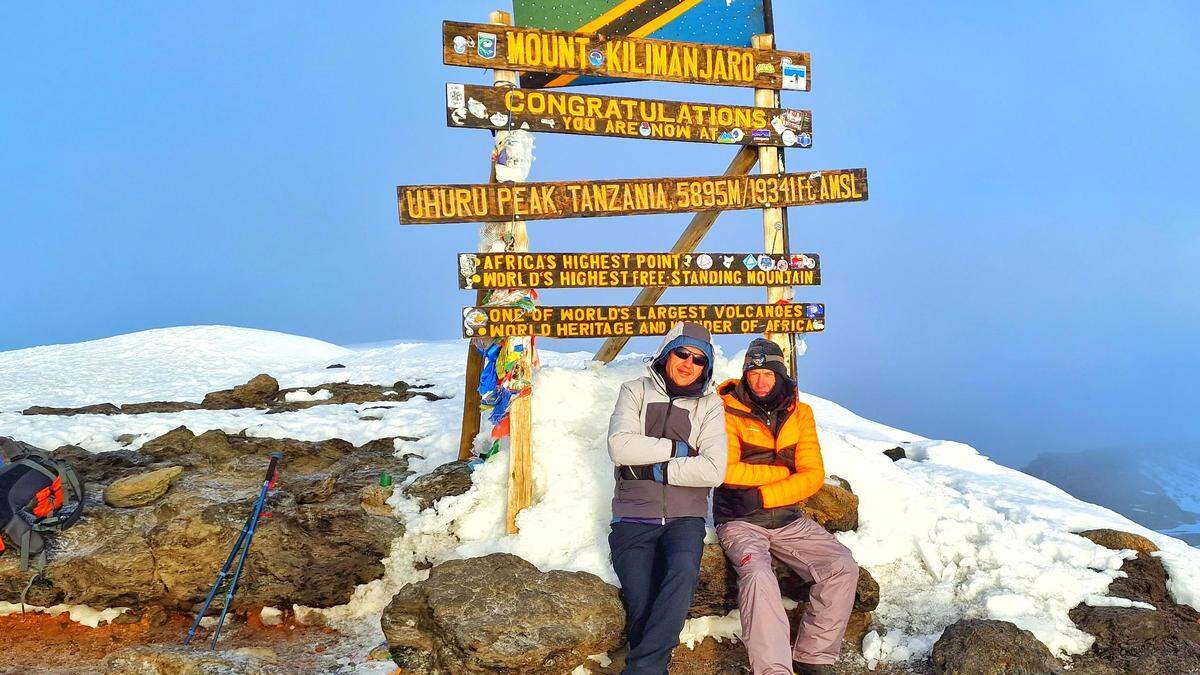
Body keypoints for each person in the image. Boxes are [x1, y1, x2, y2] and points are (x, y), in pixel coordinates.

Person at [714, 338, 859, 675]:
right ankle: (773, 670)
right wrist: (782, 473)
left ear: (780, 375)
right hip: (740, 519)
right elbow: (725, 469)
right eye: (753, 373)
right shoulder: (726, 410)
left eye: (768, 373)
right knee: (759, 578)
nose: (760, 381)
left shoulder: (801, 413)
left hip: (790, 519)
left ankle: (813, 657)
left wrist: (762, 495)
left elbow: (813, 477)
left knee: (841, 566)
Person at [607, 321, 728, 674]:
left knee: (682, 573)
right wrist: (679, 448)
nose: (688, 363)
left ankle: (642, 669)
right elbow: (619, 446)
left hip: (684, 518)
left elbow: (713, 470)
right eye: (682, 353)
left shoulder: (710, 406)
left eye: (699, 359)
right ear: (667, 353)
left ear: (706, 367)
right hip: (632, 515)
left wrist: (656, 469)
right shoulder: (635, 391)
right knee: (641, 601)